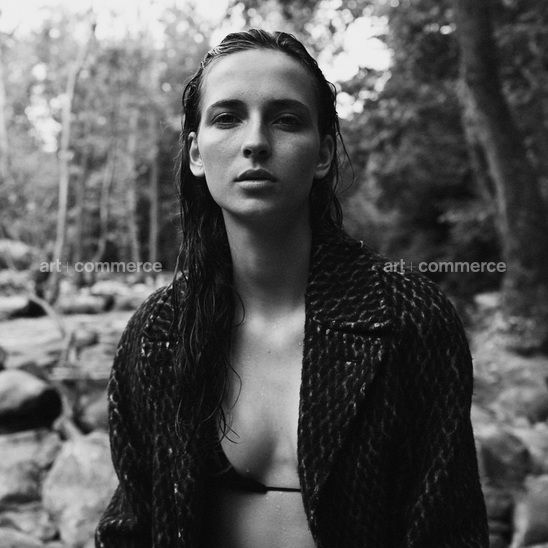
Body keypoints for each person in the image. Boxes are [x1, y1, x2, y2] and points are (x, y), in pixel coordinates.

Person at [95, 29, 488, 548]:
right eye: (227, 117)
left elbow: (450, 532)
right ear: (195, 153)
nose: (256, 142)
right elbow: (131, 527)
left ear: (322, 154)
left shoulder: (410, 319)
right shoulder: (156, 333)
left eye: (286, 120)